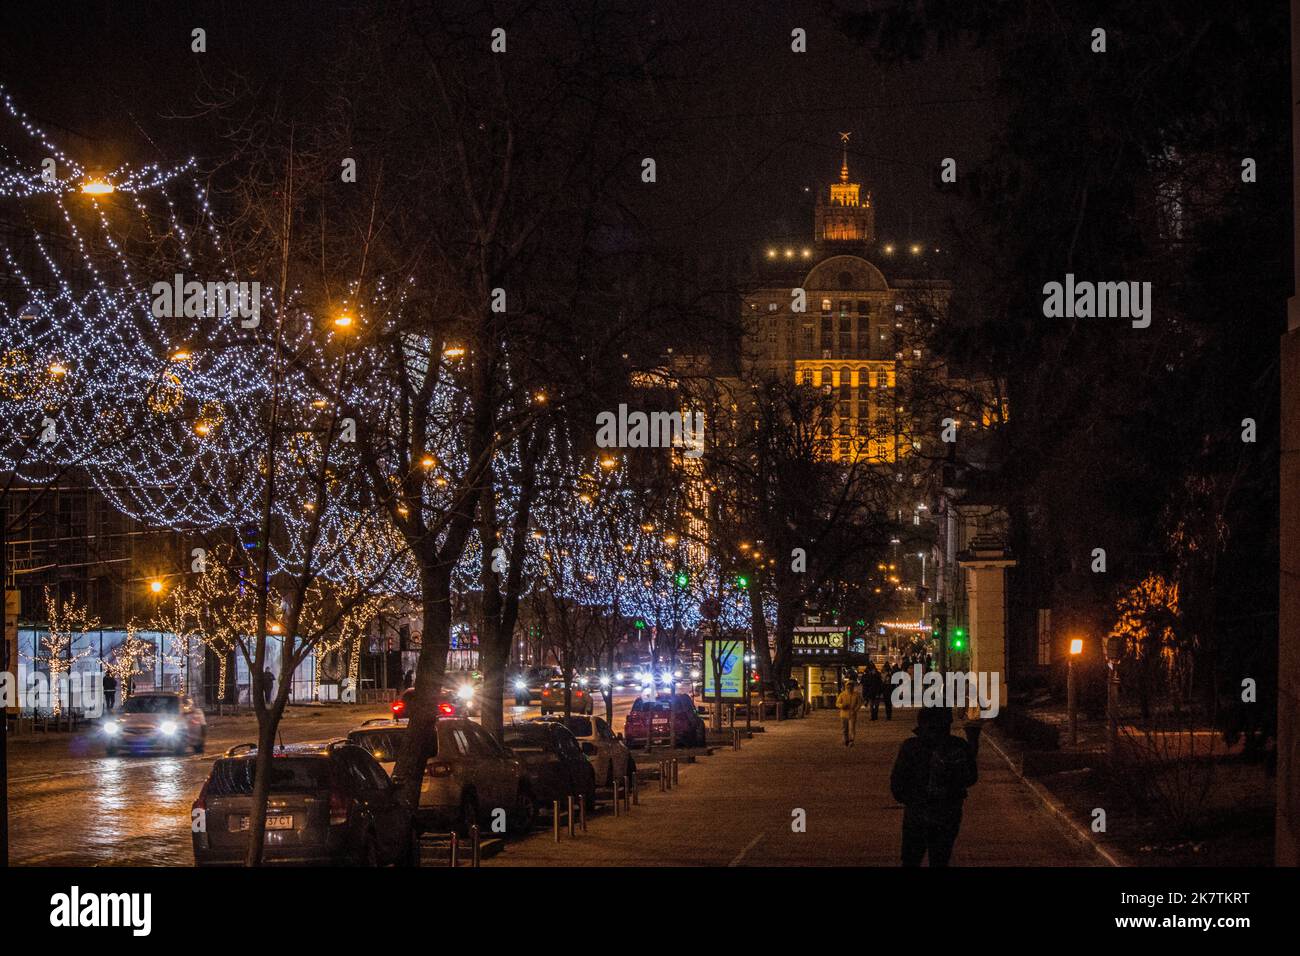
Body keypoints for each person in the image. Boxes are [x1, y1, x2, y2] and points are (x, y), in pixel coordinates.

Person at [889, 706, 978, 867]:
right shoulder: (959, 746)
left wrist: (911, 800)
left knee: (911, 859)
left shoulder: (911, 747)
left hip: (917, 814)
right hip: (948, 814)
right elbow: (971, 777)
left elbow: (898, 782)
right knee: (940, 859)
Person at [835, 678, 863, 746]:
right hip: (844, 714)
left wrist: (855, 710)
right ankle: (846, 740)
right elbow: (837, 703)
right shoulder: (842, 694)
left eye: (850, 687)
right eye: (848, 687)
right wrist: (842, 706)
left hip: (852, 714)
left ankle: (851, 740)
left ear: (853, 687)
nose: (849, 689)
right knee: (845, 728)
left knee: (852, 728)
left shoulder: (856, 695)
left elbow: (859, 704)